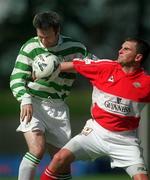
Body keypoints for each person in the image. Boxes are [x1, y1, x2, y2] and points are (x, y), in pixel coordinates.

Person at [40, 37, 150, 180]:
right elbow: (72, 65)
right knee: (59, 158)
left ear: (138, 57)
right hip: (95, 133)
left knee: (142, 178)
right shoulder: (105, 67)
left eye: (126, 49)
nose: (120, 51)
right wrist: (44, 70)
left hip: (125, 140)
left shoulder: (146, 83)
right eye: (121, 47)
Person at [10, 11, 97, 180]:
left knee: (62, 164)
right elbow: (16, 78)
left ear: (58, 31)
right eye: (40, 36)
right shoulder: (30, 47)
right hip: (33, 103)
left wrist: (67, 66)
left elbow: (96, 67)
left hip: (58, 107)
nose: (43, 41)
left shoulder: (75, 48)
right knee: (37, 149)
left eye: (47, 37)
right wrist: (25, 99)